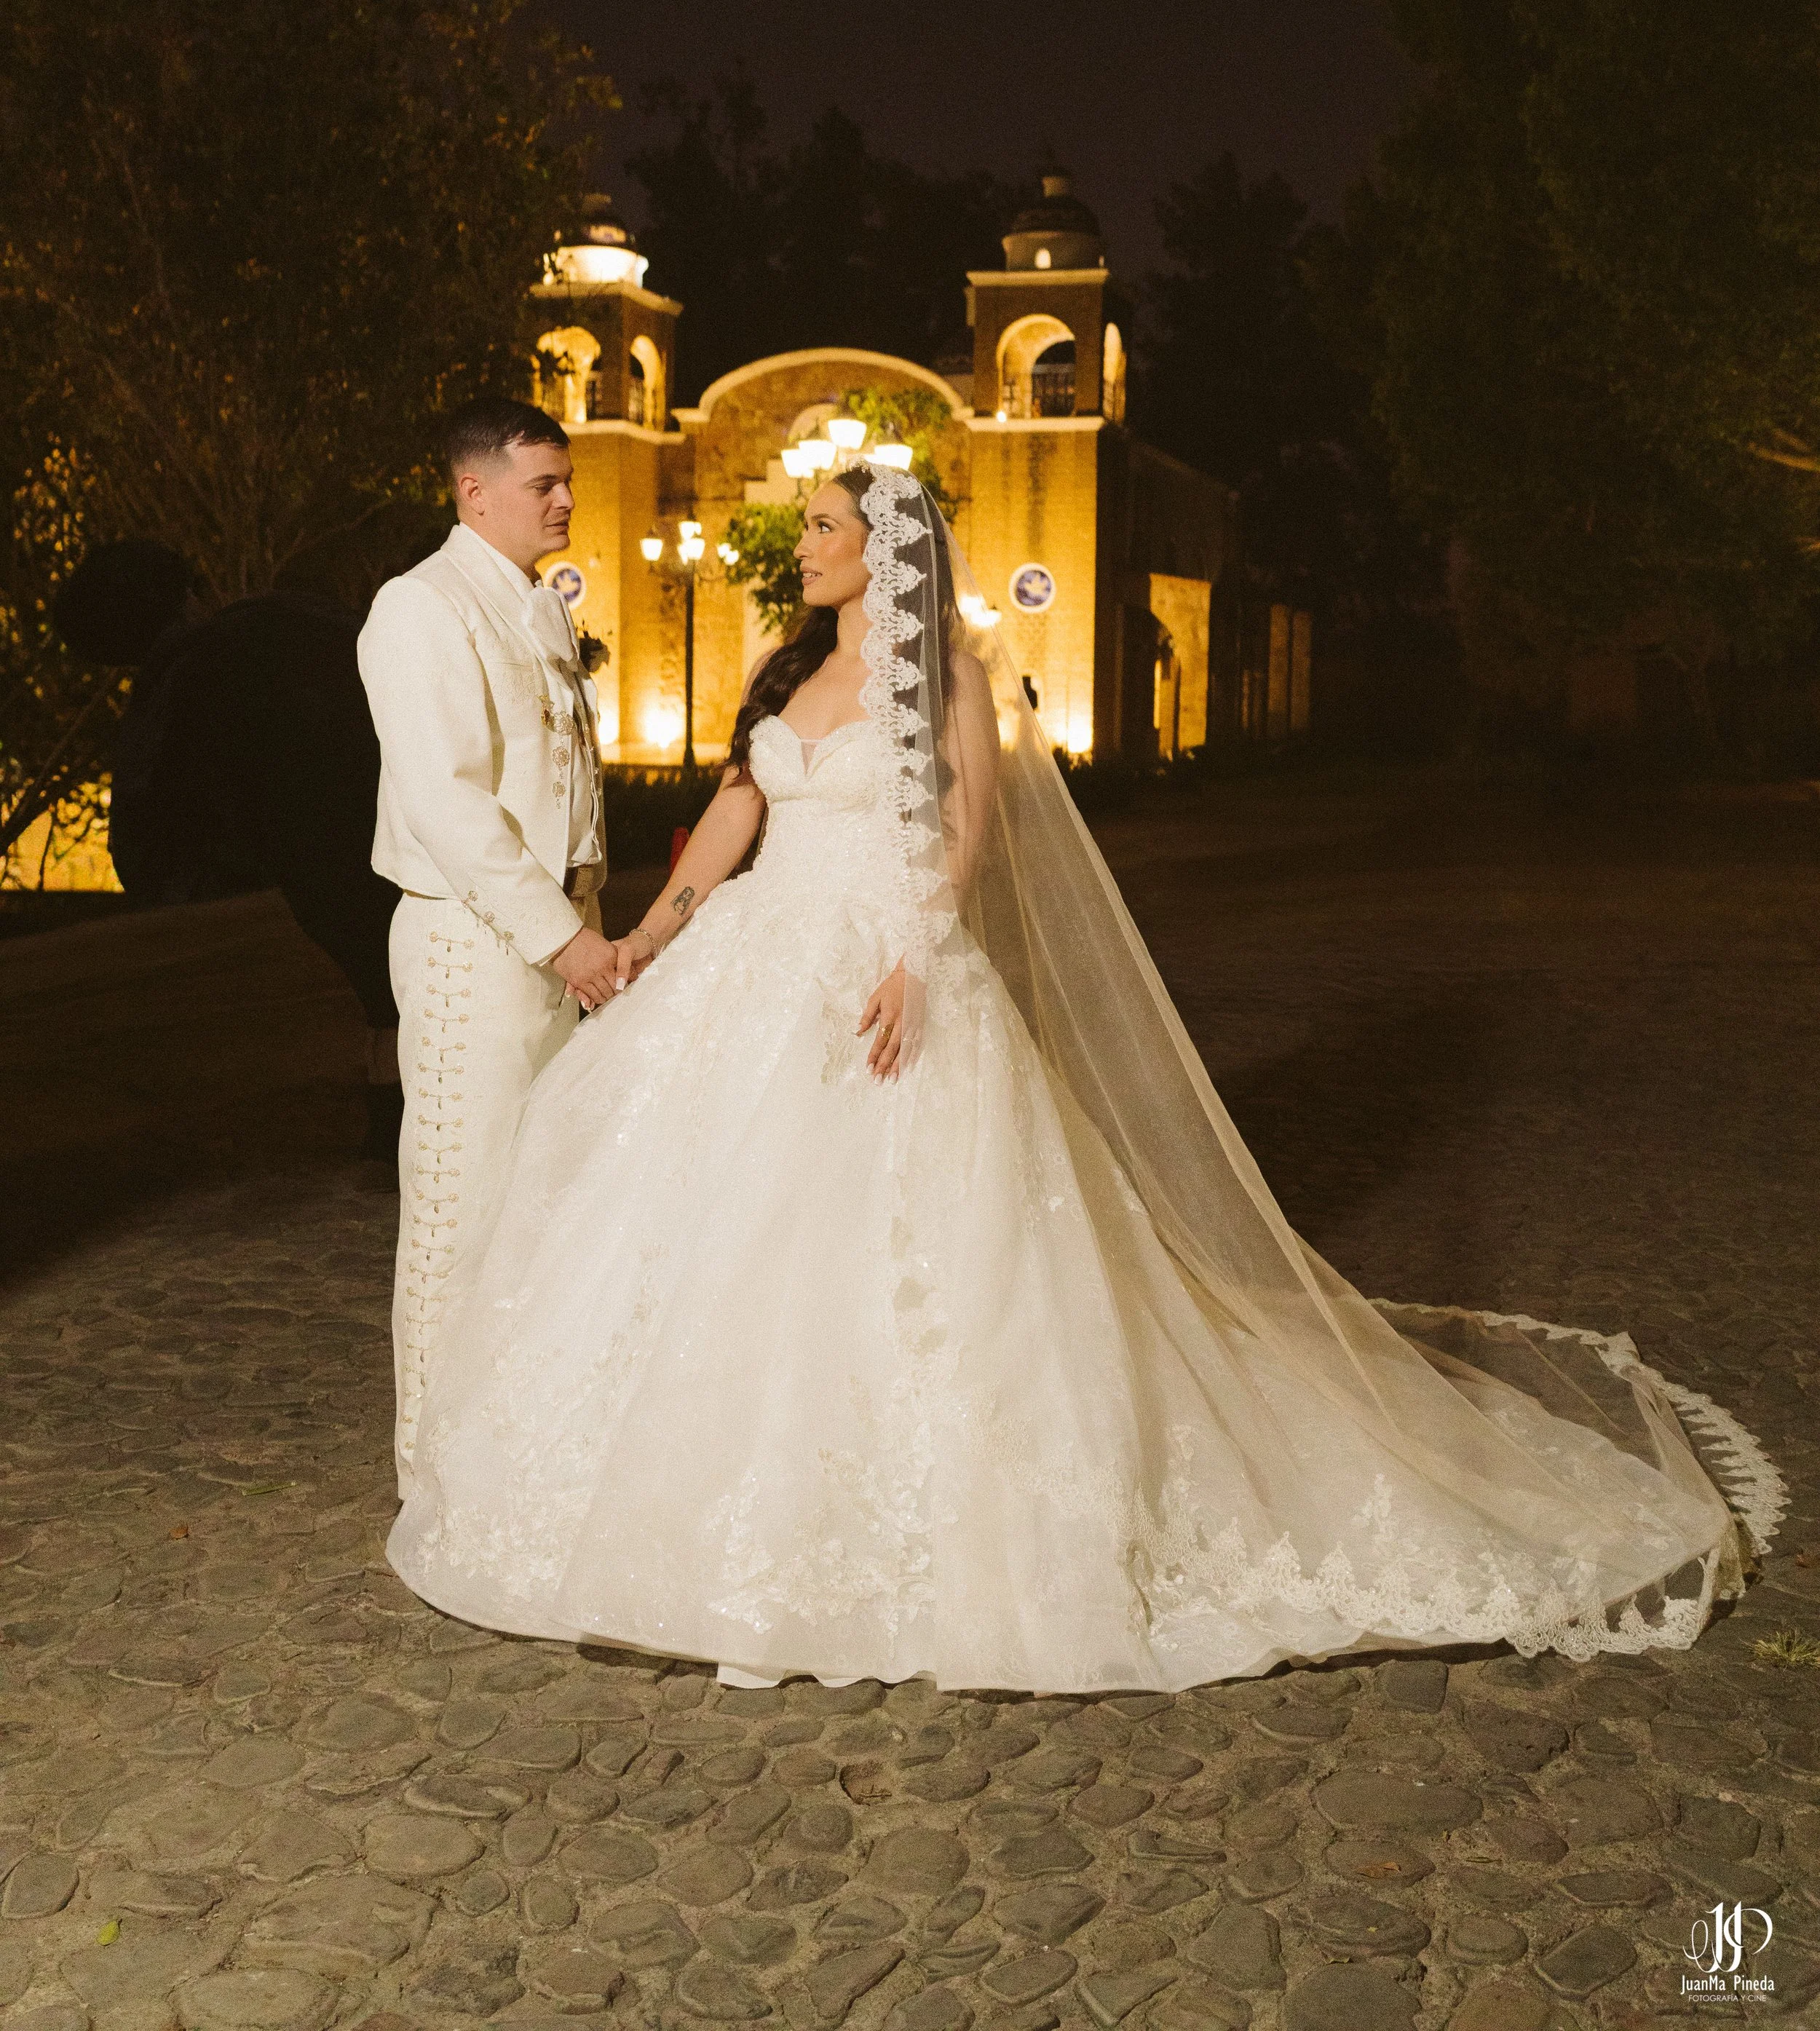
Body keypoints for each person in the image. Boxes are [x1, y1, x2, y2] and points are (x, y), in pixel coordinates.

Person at [388, 464, 1759, 1690]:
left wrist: (918, 957)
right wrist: (641, 938)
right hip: (755, 965)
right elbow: (732, 821)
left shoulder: (947, 683)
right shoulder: (783, 671)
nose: (801, 545)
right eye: (806, 527)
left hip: (882, 960)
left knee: (906, 1244)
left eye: (822, 527)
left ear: (890, 550)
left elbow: (969, 828)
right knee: (701, 1226)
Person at [357, 399, 627, 1500]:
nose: (566, 499)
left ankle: (513, 1441)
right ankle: (433, 1472)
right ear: (475, 492)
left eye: (567, 481)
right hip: (474, 938)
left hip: (555, 932)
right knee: (459, 1204)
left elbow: (571, 779)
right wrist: (563, 938)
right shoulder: (420, 607)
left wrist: (593, 911)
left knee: (543, 1198)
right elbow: (448, 804)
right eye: (543, 485)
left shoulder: (540, 609)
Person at [54, 539, 403, 1157]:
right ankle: (395, 1115)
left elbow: (152, 821)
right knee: (390, 977)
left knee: (383, 978)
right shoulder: (272, 627)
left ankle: (394, 1115)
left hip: (322, 846)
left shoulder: (189, 677)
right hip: (368, 820)